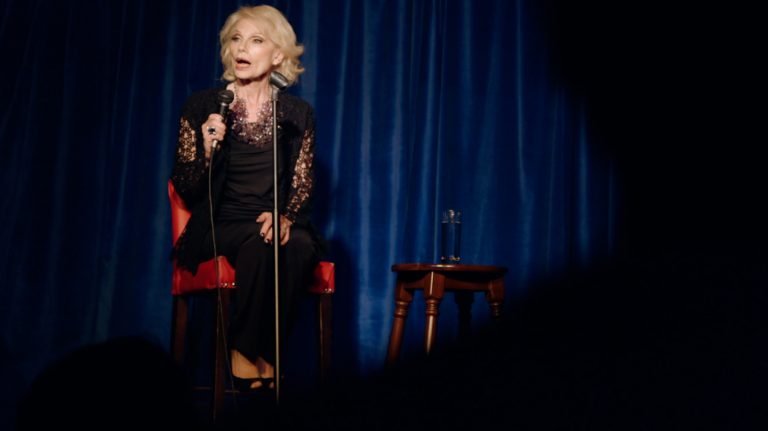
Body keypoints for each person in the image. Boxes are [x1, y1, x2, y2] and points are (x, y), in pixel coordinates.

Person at [170, 4, 322, 391]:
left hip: (271, 218)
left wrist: (285, 216)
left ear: (278, 55)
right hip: (218, 223)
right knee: (260, 243)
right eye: (236, 39)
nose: (242, 48)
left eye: (256, 40)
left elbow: (303, 184)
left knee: (300, 243)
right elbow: (185, 186)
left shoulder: (297, 113)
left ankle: (263, 354)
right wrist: (206, 152)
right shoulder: (202, 106)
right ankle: (245, 353)